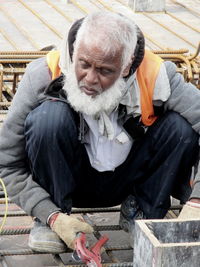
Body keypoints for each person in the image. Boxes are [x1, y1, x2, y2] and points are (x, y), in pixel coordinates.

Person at [0, 11, 200, 253]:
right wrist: (48, 212)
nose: (90, 79)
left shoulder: (157, 75)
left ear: (126, 67)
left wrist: (197, 200)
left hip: (128, 178)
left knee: (180, 129)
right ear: (74, 53)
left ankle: (142, 212)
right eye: (83, 65)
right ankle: (51, 221)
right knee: (47, 120)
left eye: (105, 71)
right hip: (69, 179)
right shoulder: (42, 74)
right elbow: (6, 164)